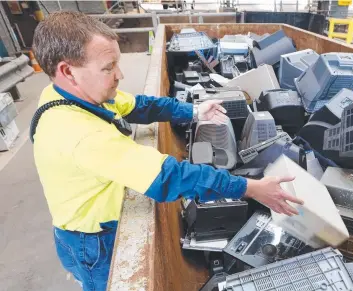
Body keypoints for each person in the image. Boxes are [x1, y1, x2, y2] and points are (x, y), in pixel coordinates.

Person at [31, 11, 303, 291]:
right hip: (93, 243)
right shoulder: (79, 132)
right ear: (67, 71)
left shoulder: (74, 95)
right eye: (108, 67)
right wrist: (250, 187)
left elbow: (141, 105)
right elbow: (168, 176)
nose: (120, 75)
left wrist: (195, 111)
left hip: (87, 226)